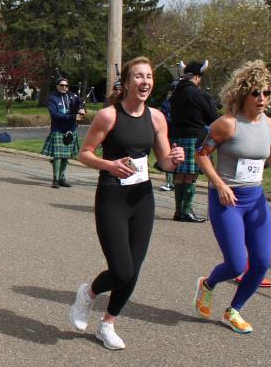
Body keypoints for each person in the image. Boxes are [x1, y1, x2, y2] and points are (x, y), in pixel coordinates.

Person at [68, 57, 185, 350]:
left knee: (134, 267)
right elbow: (84, 153)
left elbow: (164, 162)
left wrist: (175, 159)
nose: (145, 82)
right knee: (121, 270)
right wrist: (109, 165)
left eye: (149, 77)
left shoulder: (157, 118)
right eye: (139, 76)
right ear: (127, 83)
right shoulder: (109, 116)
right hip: (112, 197)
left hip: (142, 199)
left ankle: (107, 324)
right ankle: (88, 294)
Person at [193, 61, 271, 333]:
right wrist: (220, 184)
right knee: (236, 264)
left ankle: (234, 310)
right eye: (256, 93)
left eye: (266, 93)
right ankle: (208, 284)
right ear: (243, 94)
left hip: (255, 200)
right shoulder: (227, 124)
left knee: (261, 261)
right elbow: (201, 155)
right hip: (227, 201)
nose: (262, 98)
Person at [169, 60, 219, 222]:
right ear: (197, 77)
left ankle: (178, 211)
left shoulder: (175, 94)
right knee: (191, 175)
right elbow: (213, 117)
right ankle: (186, 211)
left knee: (179, 175)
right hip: (194, 137)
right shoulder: (199, 94)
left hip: (177, 137)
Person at [42, 76, 84, 188]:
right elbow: (55, 114)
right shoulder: (52, 98)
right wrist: (72, 117)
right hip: (58, 129)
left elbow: (80, 105)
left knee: (66, 156)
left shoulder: (73, 96)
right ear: (57, 86)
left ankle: (61, 178)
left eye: (66, 85)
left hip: (71, 129)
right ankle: (55, 179)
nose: (64, 87)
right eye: (62, 85)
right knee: (57, 156)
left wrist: (82, 110)